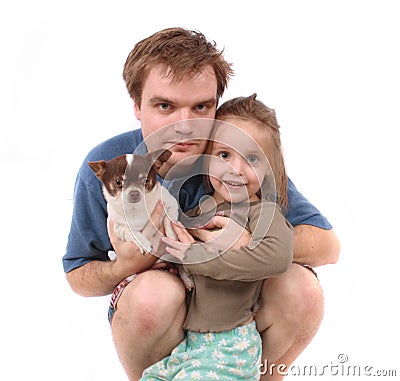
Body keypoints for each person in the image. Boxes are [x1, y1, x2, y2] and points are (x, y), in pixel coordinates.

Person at [63, 27, 340, 380]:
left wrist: (245, 240)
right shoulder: (110, 166)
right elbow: (77, 274)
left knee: (302, 289)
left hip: (233, 305)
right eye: (165, 106)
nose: (185, 126)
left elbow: (328, 246)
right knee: (152, 296)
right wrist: (124, 267)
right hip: (164, 307)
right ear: (136, 105)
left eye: (201, 106)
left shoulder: (232, 156)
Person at [140, 94, 295, 380]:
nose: (234, 169)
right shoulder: (202, 209)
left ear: (269, 169)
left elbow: (278, 257)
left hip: (231, 344)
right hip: (191, 342)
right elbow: (181, 244)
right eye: (224, 155)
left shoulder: (261, 212)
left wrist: (197, 259)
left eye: (251, 158)